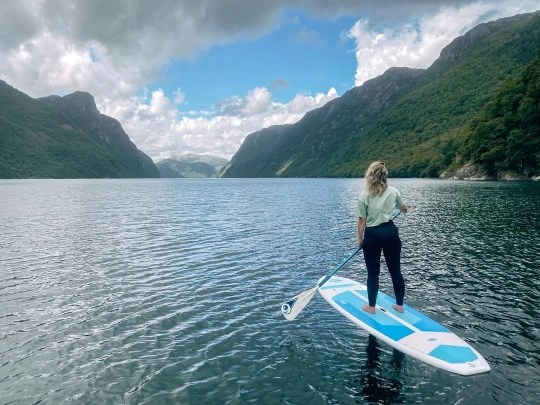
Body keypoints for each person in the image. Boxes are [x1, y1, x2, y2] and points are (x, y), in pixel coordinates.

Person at [356, 161, 408, 315]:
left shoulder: (364, 195)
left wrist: (360, 239)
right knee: (395, 271)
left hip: (372, 235)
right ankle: (399, 305)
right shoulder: (393, 191)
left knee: (373, 273)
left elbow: (362, 220)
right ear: (385, 176)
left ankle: (371, 307)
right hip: (390, 232)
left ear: (370, 176)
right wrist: (405, 209)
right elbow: (403, 207)